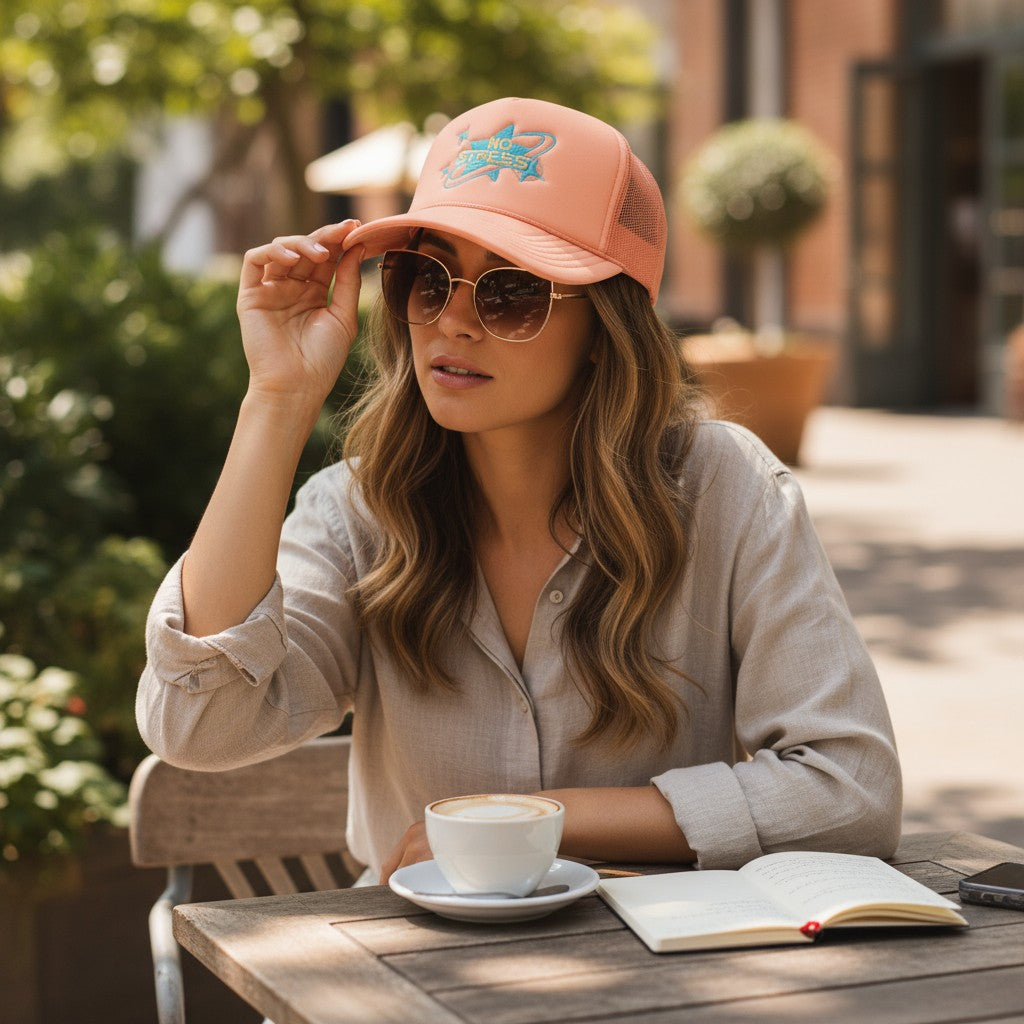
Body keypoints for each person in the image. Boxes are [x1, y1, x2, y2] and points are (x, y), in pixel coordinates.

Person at [136, 96, 902, 883]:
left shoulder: (726, 490)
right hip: (407, 973)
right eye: (426, 280)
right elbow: (198, 724)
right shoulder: (355, 513)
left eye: (510, 292)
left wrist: (530, 826)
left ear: (606, 329)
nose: (453, 321)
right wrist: (278, 400)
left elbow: (851, 792)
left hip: (654, 976)